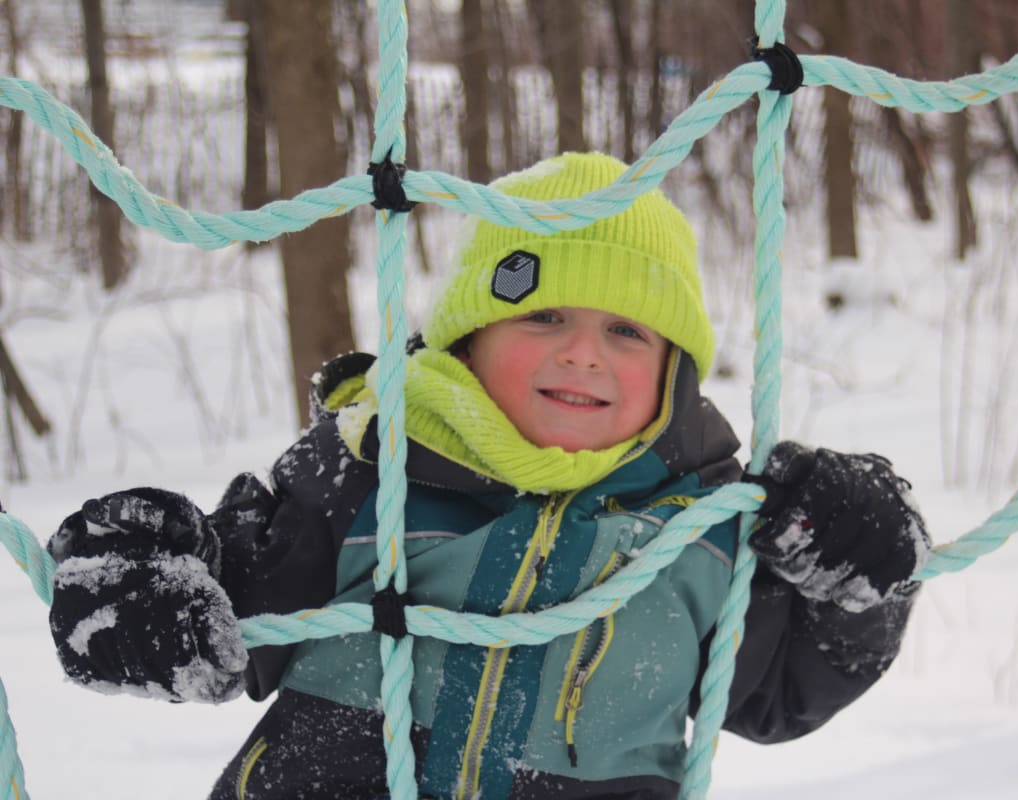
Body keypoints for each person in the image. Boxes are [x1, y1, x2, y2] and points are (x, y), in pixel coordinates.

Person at [45, 152, 930, 800]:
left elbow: (782, 692)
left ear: (677, 373)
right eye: (543, 314)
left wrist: (864, 578)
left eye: (629, 332)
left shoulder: (700, 531)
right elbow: (223, 597)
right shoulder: (370, 474)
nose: (585, 352)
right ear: (470, 337)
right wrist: (136, 573)